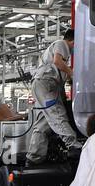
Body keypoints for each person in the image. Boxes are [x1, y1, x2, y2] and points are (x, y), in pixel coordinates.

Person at [27, 28, 82, 163]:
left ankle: (34, 157)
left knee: (43, 123)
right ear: (73, 41)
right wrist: (72, 73)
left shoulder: (64, 55)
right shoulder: (62, 44)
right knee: (57, 114)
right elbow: (57, 61)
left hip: (46, 85)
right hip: (46, 84)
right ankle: (73, 146)